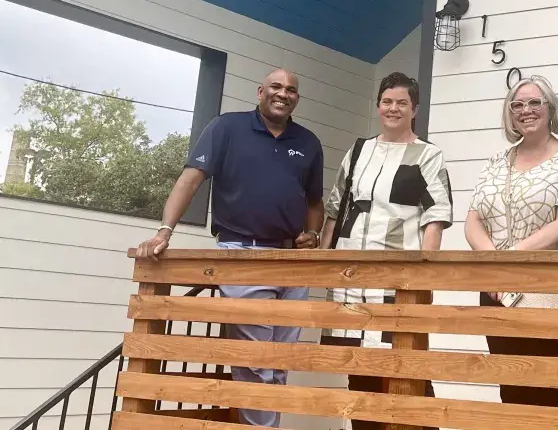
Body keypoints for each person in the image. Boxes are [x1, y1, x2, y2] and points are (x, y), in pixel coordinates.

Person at [135, 68, 324, 428]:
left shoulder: (309, 142)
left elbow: (315, 203)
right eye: (276, 87)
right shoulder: (226, 128)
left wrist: (312, 235)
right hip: (243, 255)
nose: (283, 94)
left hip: (292, 263)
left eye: (291, 90)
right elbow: (191, 178)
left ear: (297, 98)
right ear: (260, 91)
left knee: (280, 362)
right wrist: (164, 232)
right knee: (255, 360)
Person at [320, 72, 452, 430]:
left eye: (402, 103)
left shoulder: (428, 155)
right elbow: (335, 210)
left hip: (397, 283)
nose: (393, 108)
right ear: (379, 105)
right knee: (359, 373)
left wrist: (424, 276)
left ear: (415, 110)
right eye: (387, 101)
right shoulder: (358, 150)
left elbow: (436, 218)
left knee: (403, 370)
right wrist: (323, 264)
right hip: (349, 281)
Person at [464, 75, 558, 408]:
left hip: (550, 293)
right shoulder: (495, 163)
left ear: (550, 108)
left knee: (547, 391)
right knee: (511, 389)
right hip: (499, 292)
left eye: (535, 102)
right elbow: (473, 221)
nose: (526, 110)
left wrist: (510, 258)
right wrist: (493, 262)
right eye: (517, 105)